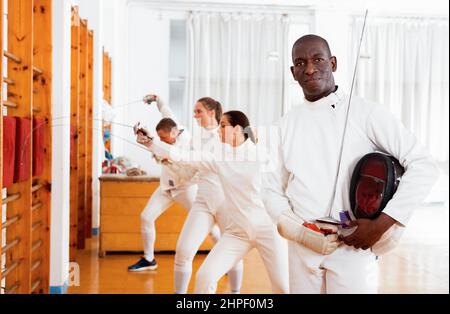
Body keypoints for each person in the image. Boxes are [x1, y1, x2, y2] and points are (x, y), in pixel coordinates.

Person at [263, 34, 439, 293]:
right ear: (293, 72)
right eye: (300, 63)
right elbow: (269, 187)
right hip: (302, 247)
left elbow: (424, 165)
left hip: (353, 245)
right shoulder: (285, 124)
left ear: (333, 63)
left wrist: (381, 225)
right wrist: (299, 231)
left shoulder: (366, 112)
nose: (310, 68)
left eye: (318, 59)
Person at [137, 110, 289, 294]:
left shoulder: (263, 156)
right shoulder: (220, 157)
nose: (219, 129)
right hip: (238, 232)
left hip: (269, 230)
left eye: (223, 126)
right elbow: (184, 157)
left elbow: (284, 187)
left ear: (237, 129)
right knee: (204, 278)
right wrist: (151, 143)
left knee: (283, 287)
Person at [146, 95, 244, 293]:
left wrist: (158, 147)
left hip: (227, 203)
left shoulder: (225, 134)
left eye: (198, 111)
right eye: (194, 112)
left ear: (211, 112)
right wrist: (169, 162)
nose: (195, 115)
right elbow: (189, 174)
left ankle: (235, 294)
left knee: (233, 254)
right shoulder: (196, 139)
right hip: (203, 203)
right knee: (183, 252)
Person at [127, 100, 198, 272]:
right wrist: (156, 98)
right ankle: (149, 259)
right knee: (146, 217)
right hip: (166, 187)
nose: (162, 141)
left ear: (174, 133)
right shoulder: (172, 124)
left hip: (186, 188)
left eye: (164, 138)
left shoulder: (186, 143)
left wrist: (150, 144)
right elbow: (165, 108)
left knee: (205, 222)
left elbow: (182, 168)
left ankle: (227, 259)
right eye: (160, 138)